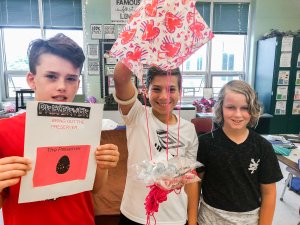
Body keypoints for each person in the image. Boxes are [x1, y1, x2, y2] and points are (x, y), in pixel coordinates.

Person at [0, 33, 120, 225]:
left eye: (71, 79)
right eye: (51, 76)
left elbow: (94, 189)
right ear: (32, 80)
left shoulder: (85, 126)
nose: (62, 86)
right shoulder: (4, 131)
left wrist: (103, 165)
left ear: (78, 84)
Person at [113, 61, 199, 225]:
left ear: (180, 92)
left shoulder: (189, 129)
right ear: (146, 91)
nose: (164, 96)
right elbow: (120, 78)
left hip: (175, 218)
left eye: (171, 89)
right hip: (135, 214)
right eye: (157, 89)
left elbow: (191, 178)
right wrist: (142, 45)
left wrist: (193, 220)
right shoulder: (136, 115)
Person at [197, 80, 283, 225]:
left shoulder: (263, 147)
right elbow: (195, 185)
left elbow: (269, 193)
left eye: (245, 108)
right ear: (220, 108)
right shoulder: (205, 143)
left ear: (253, 109)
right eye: (231, 107)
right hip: (208, 220)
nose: (238, 114)